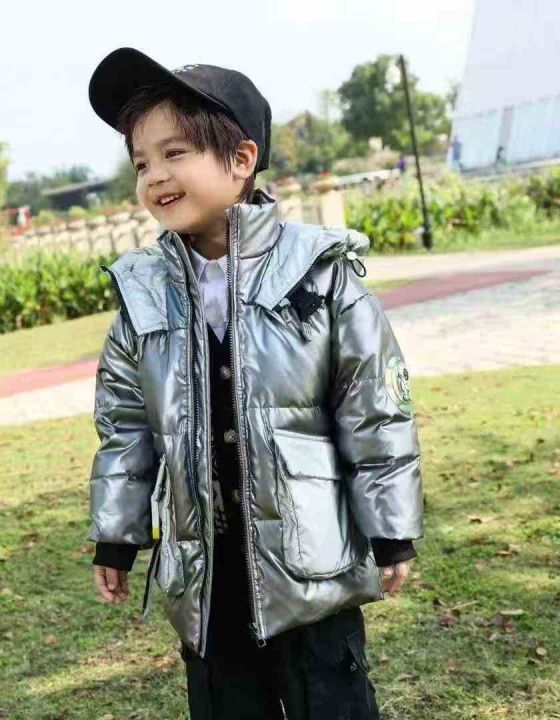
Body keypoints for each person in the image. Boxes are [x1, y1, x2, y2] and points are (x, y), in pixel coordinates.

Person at [86, 47, 424, 719]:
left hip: (311, 562)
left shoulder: (319, 274)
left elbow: (375, 405)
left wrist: (390, 528)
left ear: (241, 160)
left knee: (331, 704)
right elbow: (124, 427)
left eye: (174, 153)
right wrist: (117, 535)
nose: (156, 176)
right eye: (142, 163)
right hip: (205, 576)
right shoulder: (142, 296)